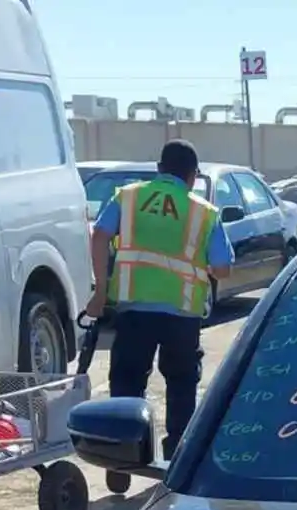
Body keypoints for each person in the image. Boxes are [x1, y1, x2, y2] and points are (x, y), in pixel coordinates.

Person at [83, 141, 234, 460]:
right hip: (182, 316)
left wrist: (100, 290)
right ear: (193, 176)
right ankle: (176, 455)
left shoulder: (128, 197)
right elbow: (223, 269)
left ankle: (123, 454)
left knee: (126, 381)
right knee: (181, 384)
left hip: (133, 309)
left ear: (159, 169)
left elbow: (99, 234)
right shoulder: (204, 213)